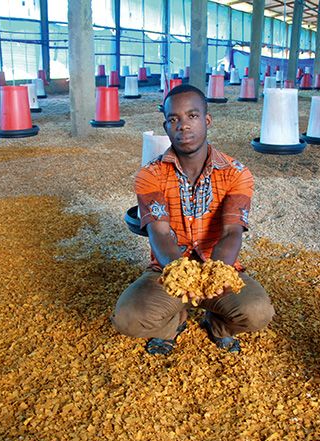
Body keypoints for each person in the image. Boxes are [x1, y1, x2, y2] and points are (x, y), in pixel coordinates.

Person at [111, 84, 275, 355]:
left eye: (192, 116)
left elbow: (231, 232)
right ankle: (172, 324)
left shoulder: (237, 173)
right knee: (128, 318)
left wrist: (214, 275)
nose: (183, 126)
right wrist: (181, 275)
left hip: (219, 265)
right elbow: (160, 233)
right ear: (165, 127)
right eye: (173, 119)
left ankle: (218, 324)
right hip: (169, 268)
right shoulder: (150, 175)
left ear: (207, 120)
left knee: (258, 313)